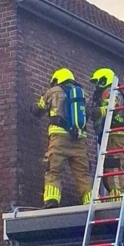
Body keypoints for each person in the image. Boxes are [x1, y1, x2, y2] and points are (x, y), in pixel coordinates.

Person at [33, 68, 91, 208]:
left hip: (59, 139)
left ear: (57, 79)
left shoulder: (53, 92)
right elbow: (88, 114)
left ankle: (52, 200)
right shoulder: (83, 94)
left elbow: (38, 109)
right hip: (79, 140)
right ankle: (90, 201)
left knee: (53, 170)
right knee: (83, 174)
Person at [89, 68, 124, 202]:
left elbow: (109, 106)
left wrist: (95, 112)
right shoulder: (119, 93)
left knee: (112, 168)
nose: (96, 86)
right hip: (123, 139)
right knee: (122, 172)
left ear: (104, 80)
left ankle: (116, 199)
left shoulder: (110, 92)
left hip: (115, 138)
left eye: (97, 82)